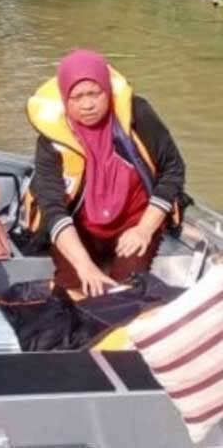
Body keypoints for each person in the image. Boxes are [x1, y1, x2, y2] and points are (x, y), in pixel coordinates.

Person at [25, 49, 186, 297]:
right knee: (72, 289)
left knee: (126, 290)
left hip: (134, 223)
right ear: (65, 99)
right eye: (76, 97)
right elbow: (53, 208)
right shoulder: (51, 141)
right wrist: (85, 266)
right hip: (79, 229)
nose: (87, 105)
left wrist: (144, 229)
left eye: (94, 93)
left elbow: (173, 169)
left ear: (108, 92)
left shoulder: (137, 115)